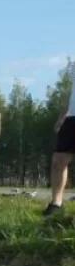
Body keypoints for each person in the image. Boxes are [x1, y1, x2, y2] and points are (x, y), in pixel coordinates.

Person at [44, 75, 75, 216]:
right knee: (58, 160)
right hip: (71, 118)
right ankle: (56, 203)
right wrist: (62, 116)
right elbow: (71, 93)